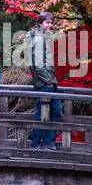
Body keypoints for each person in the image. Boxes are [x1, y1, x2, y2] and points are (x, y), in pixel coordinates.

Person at [28, 11, 62, 149]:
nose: (50, 25)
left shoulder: (42, 38)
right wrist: (48, 80)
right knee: (44, 113)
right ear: (40, 23)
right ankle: (38, 143)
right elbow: (37, 64)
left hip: (48, 82)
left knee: (53, 113)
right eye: (47, 22)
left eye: (51, 22)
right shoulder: (38, 39)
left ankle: (46, 142)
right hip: (45, 83)